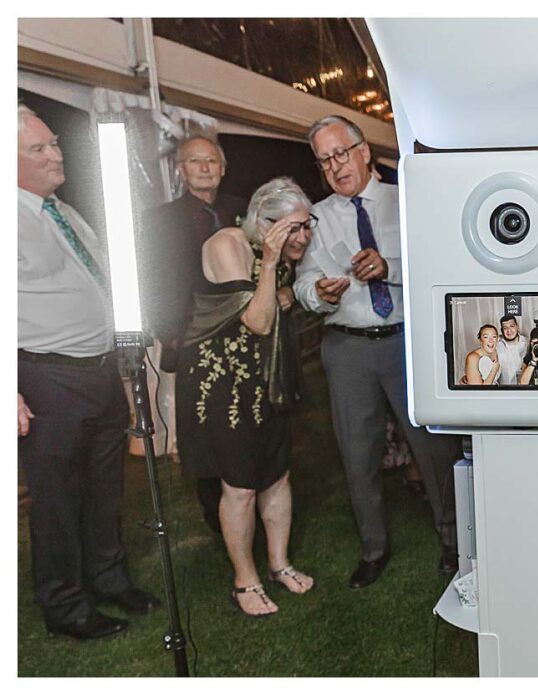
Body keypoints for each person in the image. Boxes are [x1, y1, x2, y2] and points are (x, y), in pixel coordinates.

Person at [293, 115, 460, 588]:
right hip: (348, 346)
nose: (335, 166)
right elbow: (304, 280)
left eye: (341, 153)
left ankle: (451, 538)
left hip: (408, 339)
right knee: (356, 452)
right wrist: (315, 294)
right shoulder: (317, 216)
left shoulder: (406, 201)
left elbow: (439, 262)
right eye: (324, 160)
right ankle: (373, 547)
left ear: (364, 151)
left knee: (432, 446)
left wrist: (390, 266)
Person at [18, 104, 158, 640]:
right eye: (39, 149)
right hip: (46, 379)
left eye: (54, 143)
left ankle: (109, 579)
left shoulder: (63, 211)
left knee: (105, 487)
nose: (56, 154)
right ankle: (65, 606)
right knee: (56, 500)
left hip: (99, 374)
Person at [175, 177, 315, 616]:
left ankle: (279, 564)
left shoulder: (275, 252)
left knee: (277, 474)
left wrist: (286, 285)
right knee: (240, 487)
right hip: (223, 387)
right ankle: (245, 581)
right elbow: (257, 320)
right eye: (293, 227)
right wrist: (273, 266)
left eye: (307, 226)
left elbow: (279, 302)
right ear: (262, 221)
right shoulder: (228, 243)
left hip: (263, 380)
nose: (303, 237)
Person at [142, 134, 247, 534]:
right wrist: (170, 333)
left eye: (211, 161)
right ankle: (215, 516)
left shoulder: (242, 210)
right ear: (181, 170)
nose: (204, 167)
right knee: (204, 430)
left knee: (247, 424)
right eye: (194, 161)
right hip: (193, 344)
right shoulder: (159, 221)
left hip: (244, 339)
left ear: (222, 168)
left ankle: (249, 501)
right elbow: (150, 282)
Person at [496, 314, 529, 385]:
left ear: (517, 327)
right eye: (505, 328)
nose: (509, 331)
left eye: (512, 326)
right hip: (505, 391)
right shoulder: (497, 346)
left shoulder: (528, 343)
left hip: (526, 391)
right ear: (501, 330)